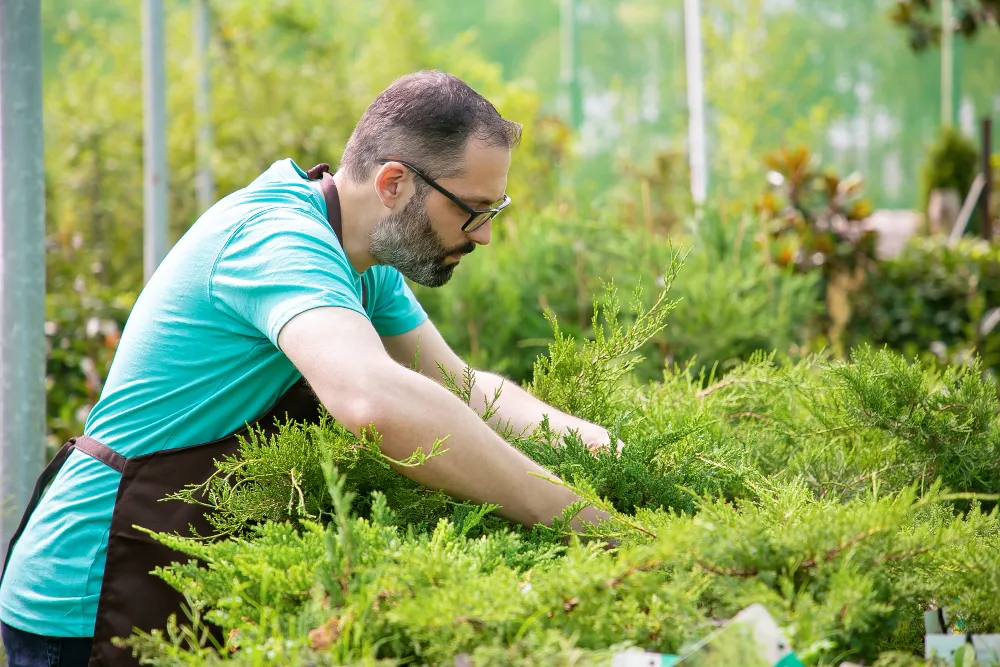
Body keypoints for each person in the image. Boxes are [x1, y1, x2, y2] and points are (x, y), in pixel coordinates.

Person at [0, 70, 619, 666]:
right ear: (394, 184)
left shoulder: (359, 261)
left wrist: (587, 442)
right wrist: (565, 511)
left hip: (174, 567)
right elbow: (372, 399)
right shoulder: (277, 242)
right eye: (473, 210)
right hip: (95, 586)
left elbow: (459, 385)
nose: (483, 236)